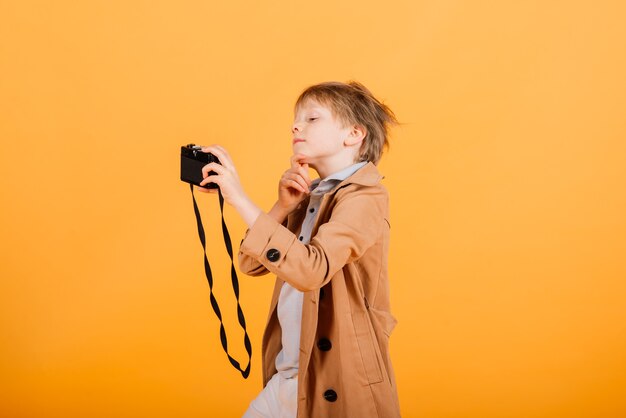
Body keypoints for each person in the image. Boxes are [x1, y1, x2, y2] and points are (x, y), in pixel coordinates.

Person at [196, 81, 400, 418]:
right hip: (290, 376)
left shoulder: (366, 196)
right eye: (296, 119)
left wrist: (237, 197)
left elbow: (312, 270)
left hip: (336, 379)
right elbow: (250, 263)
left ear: (353, 135)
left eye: (312, 119)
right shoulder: (313, 196)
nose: (296, 126)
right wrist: (281, 206)